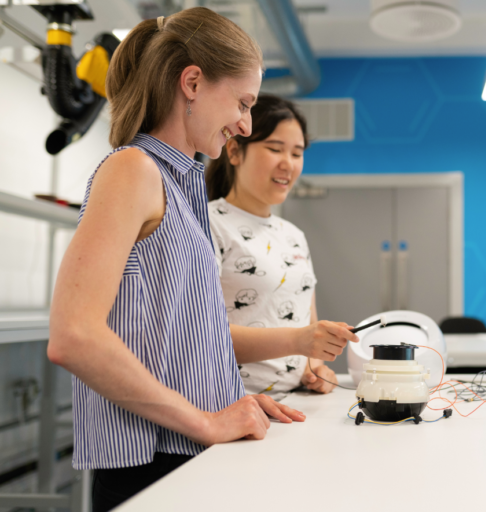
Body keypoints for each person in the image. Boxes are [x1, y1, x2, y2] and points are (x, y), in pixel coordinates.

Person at [46, 8, 357, 511]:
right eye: (242, 102)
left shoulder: (181, 184)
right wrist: (206, 420)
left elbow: (180, 335)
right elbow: (74, 336)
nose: (245, 122)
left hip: (184, 449)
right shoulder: (133, 169)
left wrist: (224, 397)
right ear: (192, 82)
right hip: (150, 462)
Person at [205, 94, 339, 400]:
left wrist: (316, 368)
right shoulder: (209, 224)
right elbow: (202, 333)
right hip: (235, 406)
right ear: (235, 151)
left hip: (294, 404)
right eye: (275, 149)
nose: (287, 164)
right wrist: (298, 341)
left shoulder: (294, 235)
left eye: (297, 153)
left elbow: (308, 323)